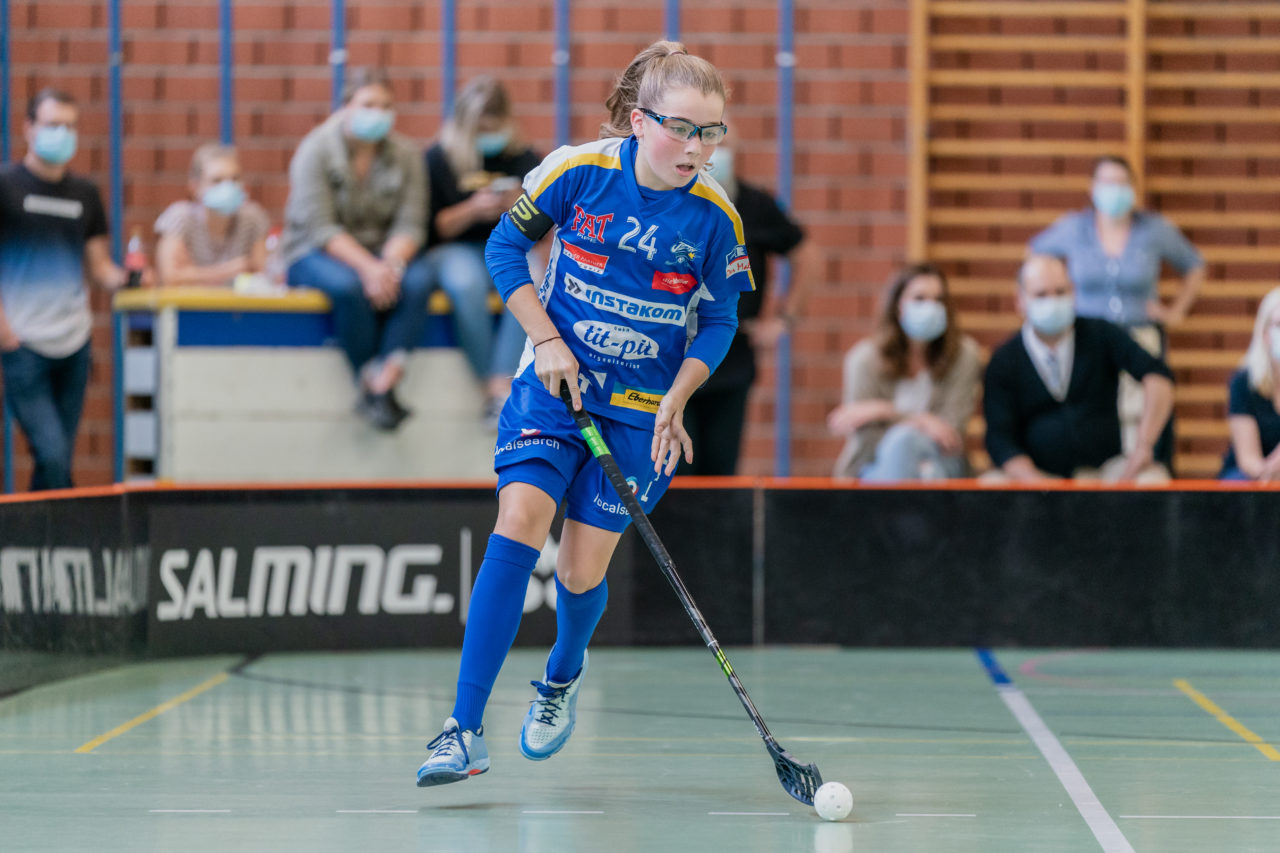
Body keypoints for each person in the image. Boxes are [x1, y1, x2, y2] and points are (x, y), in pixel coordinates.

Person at [415, 40, 750, 787]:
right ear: (638, 121)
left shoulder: (716, 218)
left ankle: (561, 677)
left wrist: (680, 392)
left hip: (638, 414)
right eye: (682, 128)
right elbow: (506, 248)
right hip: (554, 387)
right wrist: (546, 339)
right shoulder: (575, 171)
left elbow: (722, 319)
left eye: (711, 132)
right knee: (521, 519)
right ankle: (461, 729)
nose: (696, 147)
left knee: (578, 566)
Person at [1028, 155, 1204, 467]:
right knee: (1093, 412)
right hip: (1088, 339)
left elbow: (1194, 265)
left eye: (1122, 182)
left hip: (1139, 335)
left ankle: (1147, 469)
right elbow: (1035, 255)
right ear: (1093, 187)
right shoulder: (1073, 227)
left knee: (1146, 411)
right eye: (1107, 182)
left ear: (1134, 188)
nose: (1115, 190)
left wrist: (1175, 311)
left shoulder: (1153, 229)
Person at [280, 67, 431, 431]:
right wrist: (370, 269)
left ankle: (387, 379)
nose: (376, 113)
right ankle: (368, 380)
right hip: (313, 252)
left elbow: (411, 223)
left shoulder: (407, 154)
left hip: (383, 253)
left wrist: (390, 265)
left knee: (420, 280)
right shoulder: (315, 150)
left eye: (385, 105)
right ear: (346, 106)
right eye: (368, 104)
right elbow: (320, 227)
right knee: (348, 287)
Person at [0, 88, 128, 491]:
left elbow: (99, 267)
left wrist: (131, 279)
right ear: (28, 128)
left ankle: (44, 546)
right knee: (52, 452)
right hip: (23, 343)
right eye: (53, 124)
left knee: (56, 461)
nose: (62, 133)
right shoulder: (6, 186)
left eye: (70, 126)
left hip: (74, 342)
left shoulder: (85, 194)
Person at [678, 134, 817, 475]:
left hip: (731, 357)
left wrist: (784, 318)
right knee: (675, 467)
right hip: (674, 356)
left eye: (723, 143)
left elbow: (808, 255)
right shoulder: (674, 199)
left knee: (720, 467)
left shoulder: (755, 206)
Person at [982, 255, 1174, 483]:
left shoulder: (1101, 334)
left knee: (1152, 481)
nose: (1052, 301)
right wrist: (1038, 482)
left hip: (1106, 470)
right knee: (992, 484)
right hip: (1033, 476)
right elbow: (999, 438)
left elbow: (1158, 375)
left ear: (1073, 292)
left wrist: (1144, 445)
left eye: (1060, 292)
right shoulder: (1004, 360)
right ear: (1020, 300)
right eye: (1041, 294)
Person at [422, 76, 543, 426]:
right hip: (454, 249)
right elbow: (434, 228)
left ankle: (499, 383)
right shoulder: (439, 158)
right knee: (466, 284)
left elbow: (542, 226)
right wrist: (473, 209)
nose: (489, 135)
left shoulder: (523, 157)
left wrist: (516, 204)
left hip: (507, 248)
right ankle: (495, 386)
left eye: (495, 126)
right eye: (482, 128)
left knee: (531, 280)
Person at [827, 263, 981, 481]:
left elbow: (950, 434)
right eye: (920, 298)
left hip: (941, 463)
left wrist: (883, 411)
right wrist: (924, 421)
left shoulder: (964, 355)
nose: (930, 307)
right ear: (897, 305)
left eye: (938, 300)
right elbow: (867, 438)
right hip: (873, 469)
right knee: (904, 446)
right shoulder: (863, 360)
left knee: (921, 461)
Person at [154, 143, 270, 288]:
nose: (228, 187)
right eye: (217, 180)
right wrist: (230, 270)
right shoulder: (179, 219)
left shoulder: (253, 219)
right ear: (194, 187)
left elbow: (262, 276)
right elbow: (170, 278)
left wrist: (193, 274)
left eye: (235, 179)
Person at [1220, 287, 1280, 481]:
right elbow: (1248, 461)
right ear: (1264, 333)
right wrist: (1272, 469)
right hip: (1250, 478)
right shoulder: (1244, 382)